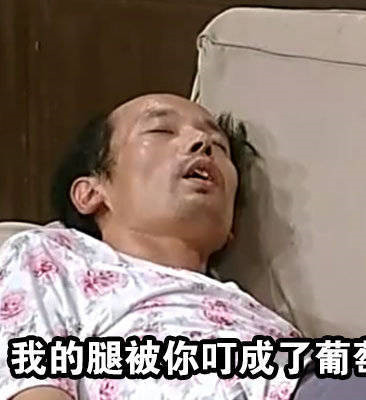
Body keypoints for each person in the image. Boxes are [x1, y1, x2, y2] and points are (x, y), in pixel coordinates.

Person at [0, 94, 301, 400]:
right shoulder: (52, 255)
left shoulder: (260, 315)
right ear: (90, 193)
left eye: (219, 145)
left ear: (230, 227)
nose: (202, 143)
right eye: (161, 130)